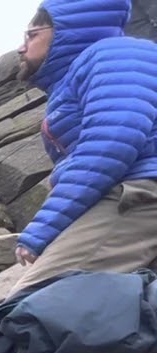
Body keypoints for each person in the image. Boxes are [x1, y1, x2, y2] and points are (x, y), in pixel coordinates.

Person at [8, 0, 157, 295]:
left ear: (61, 30)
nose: (21, 48)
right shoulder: (84, 72)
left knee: (30, 311)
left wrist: (43, 228)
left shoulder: (115, 54)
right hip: (133, 195)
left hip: (138, 193)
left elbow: (112, 142)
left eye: (31, 34)